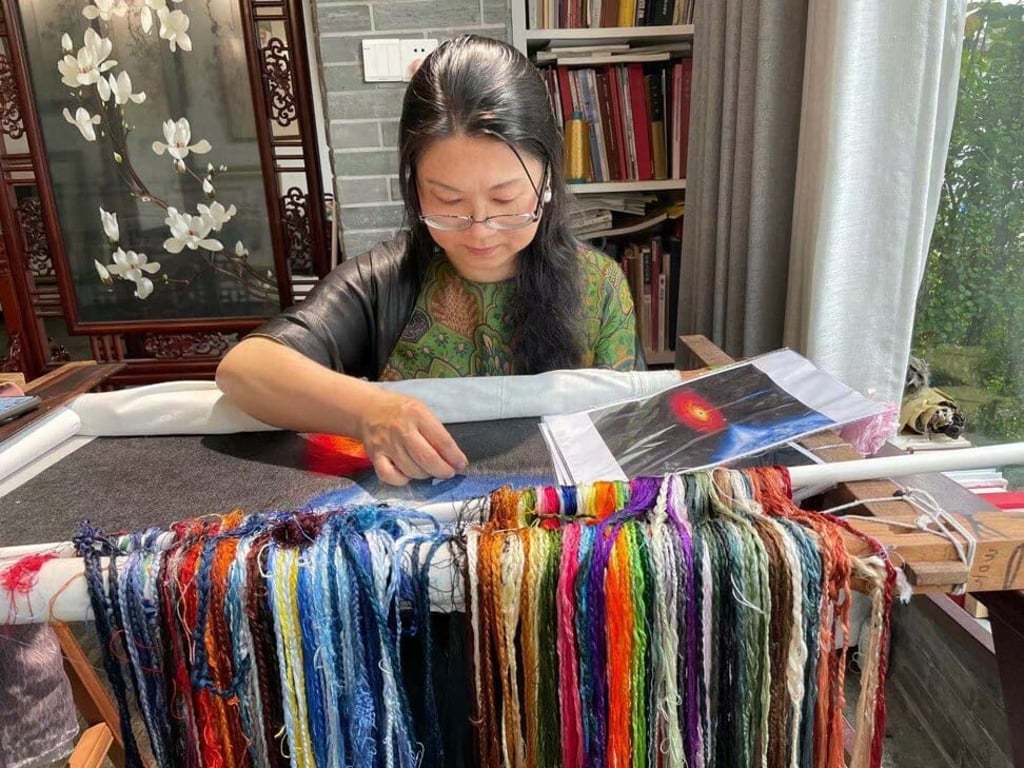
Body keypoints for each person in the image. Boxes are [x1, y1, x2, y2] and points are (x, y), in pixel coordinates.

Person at [217, 34, 641, 485]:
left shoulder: (600, 285)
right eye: (449, 201)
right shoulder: (384, 281)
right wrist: (368, 409)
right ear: (415, 187)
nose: (480, 230)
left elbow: (633, 428)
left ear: (547, 180)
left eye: (505, 199)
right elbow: (245, 368)